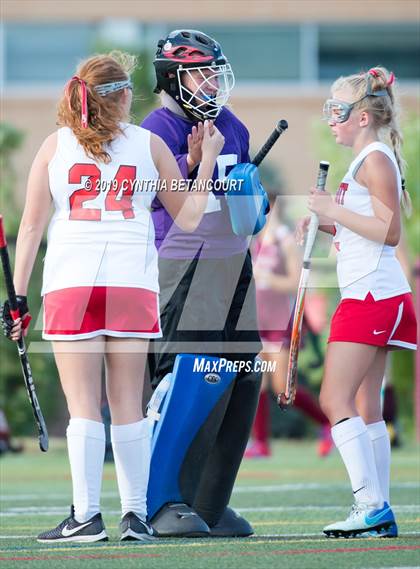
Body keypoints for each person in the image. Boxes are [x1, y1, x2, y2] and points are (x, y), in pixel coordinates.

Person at [1, 51, 224, 543]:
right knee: (128, 406)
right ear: (123, 95)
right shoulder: (147, 144)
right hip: (131, 284)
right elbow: (190, 217)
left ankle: (85, 517)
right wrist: (205, 160)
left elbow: (32, 226)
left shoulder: (54, 146)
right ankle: (135, 516)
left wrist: (16, 296)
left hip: (72, 282)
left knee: (84, 407)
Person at [141, 29, 263, 537]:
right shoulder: (153, 131)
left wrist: (254, 201)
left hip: (233, 265)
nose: (212, 81)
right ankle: (161, 499)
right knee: (190, 376)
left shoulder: (231, 125)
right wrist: (194, 163)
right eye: (200, 71)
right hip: (183, 268)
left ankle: (209, 504)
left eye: (215, 70)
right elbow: (152, 204)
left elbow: (248, 206)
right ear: (173, 77)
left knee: (244, 376)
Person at [297, 67, 416, 538]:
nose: (331, 120)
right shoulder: (367, 158)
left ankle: (368, 505)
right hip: (376, 291)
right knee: (367, 407)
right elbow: (364, 226)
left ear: (363, 116)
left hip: (371, 293)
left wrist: (333, 210)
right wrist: (328, 224)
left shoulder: (374, 158)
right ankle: (380, 509)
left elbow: (389, 233)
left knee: (333, 399)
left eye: (338, 111)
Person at [245, 193, 333, 459]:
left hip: (280, 320)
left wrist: (268, 278)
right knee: (257, 382)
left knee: (282, 387)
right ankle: (260, 443)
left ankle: (327, 423)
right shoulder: (255, 240)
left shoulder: (284, 239)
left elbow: (296, 282)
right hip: (258, 321)